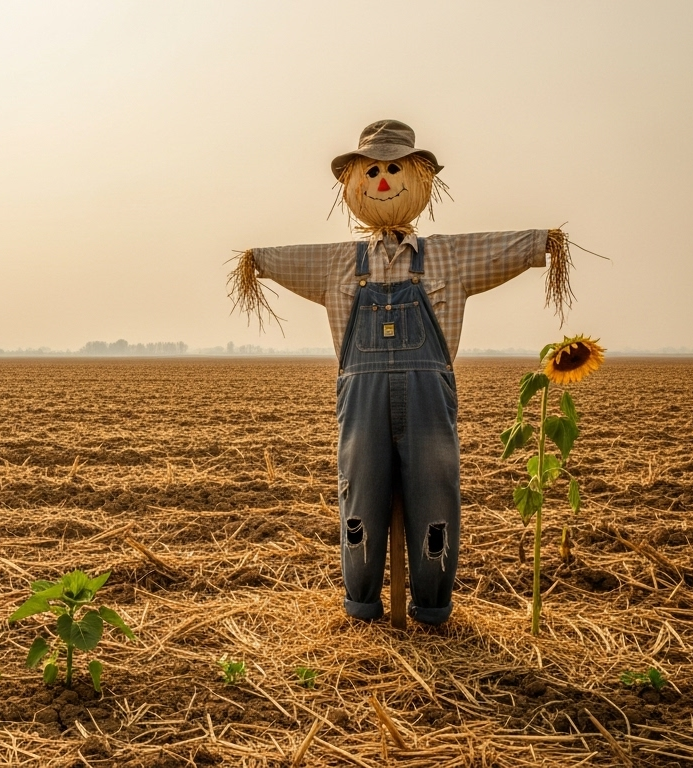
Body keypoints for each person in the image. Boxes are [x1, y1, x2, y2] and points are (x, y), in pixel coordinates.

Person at [230, 119, 572, 624]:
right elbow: (278, 259)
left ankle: (433, 609)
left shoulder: (449, 257)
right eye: (373, 170)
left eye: (395, 168)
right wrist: (255, 261)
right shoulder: (338, 263)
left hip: (427, 397)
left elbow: (505, 246)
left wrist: (542, 242)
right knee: (359, 493)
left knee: (435, 493)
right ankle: (361, 606)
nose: (383, 179)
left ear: (420, 178)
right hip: (362, 399)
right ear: (353, 182)